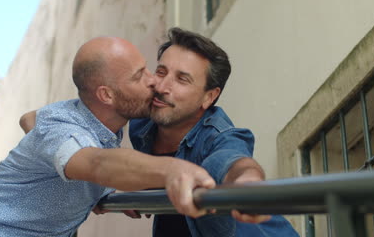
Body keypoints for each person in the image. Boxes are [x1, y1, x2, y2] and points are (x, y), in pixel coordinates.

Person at [0, 37, 217, 237]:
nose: (153, 81)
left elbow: (30, 119)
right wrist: (173, 169)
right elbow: (97, 163)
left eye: (147, 69)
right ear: (106, 95)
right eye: (138, 76)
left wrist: (96, 190)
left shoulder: (92, 127)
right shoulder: (64, 125)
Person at [128, 27, 299, 236]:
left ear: (208, 97)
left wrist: (248, 182)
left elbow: (233, 159)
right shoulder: (142, 123)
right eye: (161, 72)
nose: (162, 86)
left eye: (182, 79)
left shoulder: (217, 135)